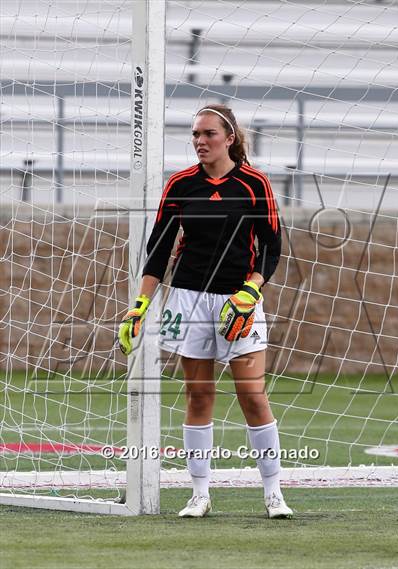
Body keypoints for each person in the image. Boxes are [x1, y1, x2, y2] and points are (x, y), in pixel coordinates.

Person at [118, 104, 293, 519]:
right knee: (199, 395)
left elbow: (271, 247)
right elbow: (158, 250)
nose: (200, 141)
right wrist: (139, 306)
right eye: (195, 134)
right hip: (188, 299)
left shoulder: (255, 184)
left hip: (238, 300)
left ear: (229, 138)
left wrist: (251, 291)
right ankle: (199, 494)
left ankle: (274, 493)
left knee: (252, 395)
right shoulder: (180, 185)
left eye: (209, 134)